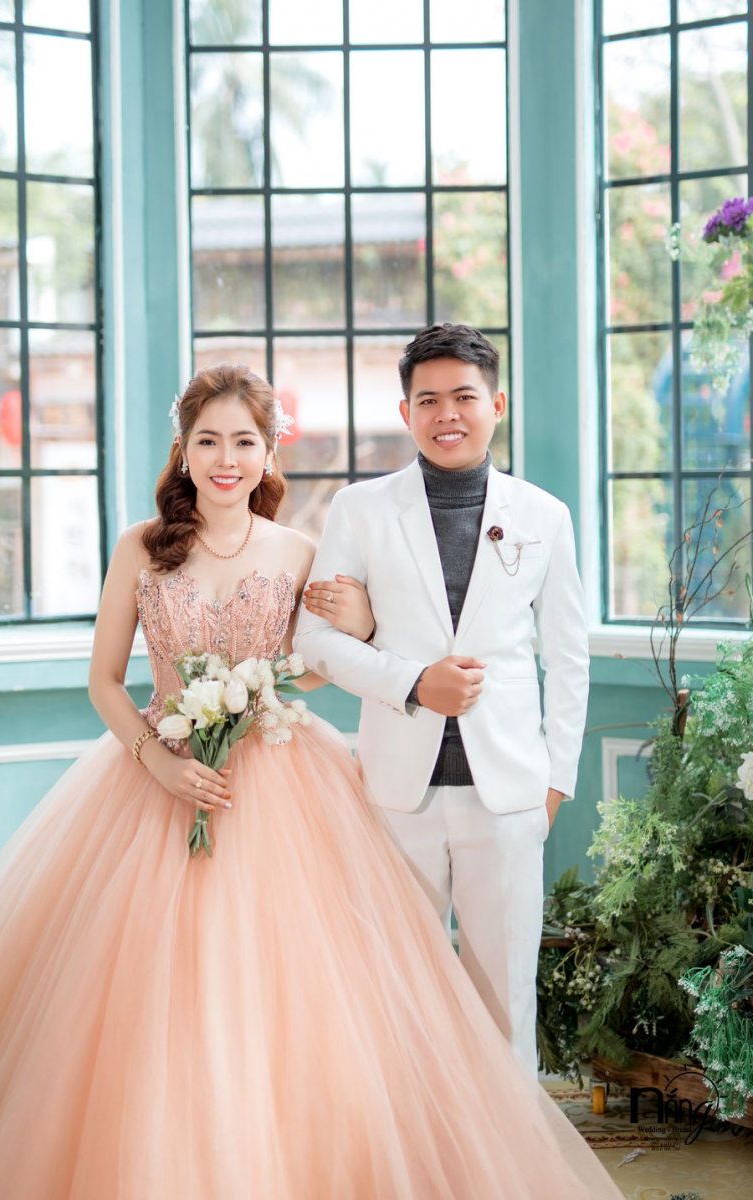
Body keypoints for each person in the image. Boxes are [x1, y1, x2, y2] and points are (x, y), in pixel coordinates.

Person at [0, 364, 620, 1199]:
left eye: (244, 442)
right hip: (159, 778)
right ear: (184, 450)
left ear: (269, 453)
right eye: (208, 441)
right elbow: (104, 682)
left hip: (280, 780)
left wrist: (349, 634)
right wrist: (160, 761)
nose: (225, 459)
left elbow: (319, 663)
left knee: (296, 992)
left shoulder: (300, 550)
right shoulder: (139, 547)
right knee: (154, 994)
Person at [297, 323, 590, 1076]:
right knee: (400, 999)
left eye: (464, 396)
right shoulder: (359, 510)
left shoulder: (544, 515)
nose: (446, 414)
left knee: (506, 1005)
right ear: (406, 413)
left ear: (497, 404)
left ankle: (508, 1152)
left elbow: (567, 656)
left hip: (511, 794)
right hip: (398, 792)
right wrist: (412, 683)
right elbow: (315, 640)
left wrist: (556, 783)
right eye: (427, 400)